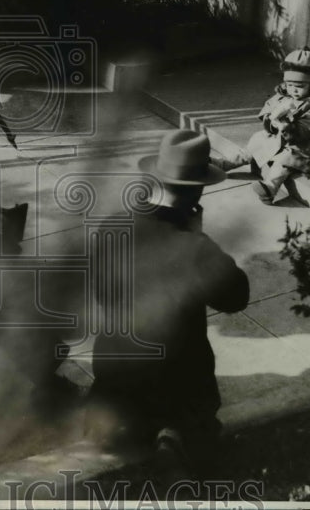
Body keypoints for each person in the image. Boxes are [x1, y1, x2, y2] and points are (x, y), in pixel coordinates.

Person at [90, 129, 249, 476]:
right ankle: (181, 436)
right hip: (176, 372)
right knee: (195, 408)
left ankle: (125, 427)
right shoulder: (193, 247)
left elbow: (101, 293)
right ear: (198, 188)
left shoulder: (112, 225)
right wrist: (196, 237)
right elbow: (237, 297)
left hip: (116, 365)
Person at [244, 47, 310, 205]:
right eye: (290, 85)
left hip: (303, 145)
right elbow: (268, 111)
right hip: (280, 137)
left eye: (300, 86)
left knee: (286, 158)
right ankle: (225, 163)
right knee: (258, 139)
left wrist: (288, 126)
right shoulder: (283, 97)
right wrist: (271, 119)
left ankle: (270, 188)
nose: (293, 90)